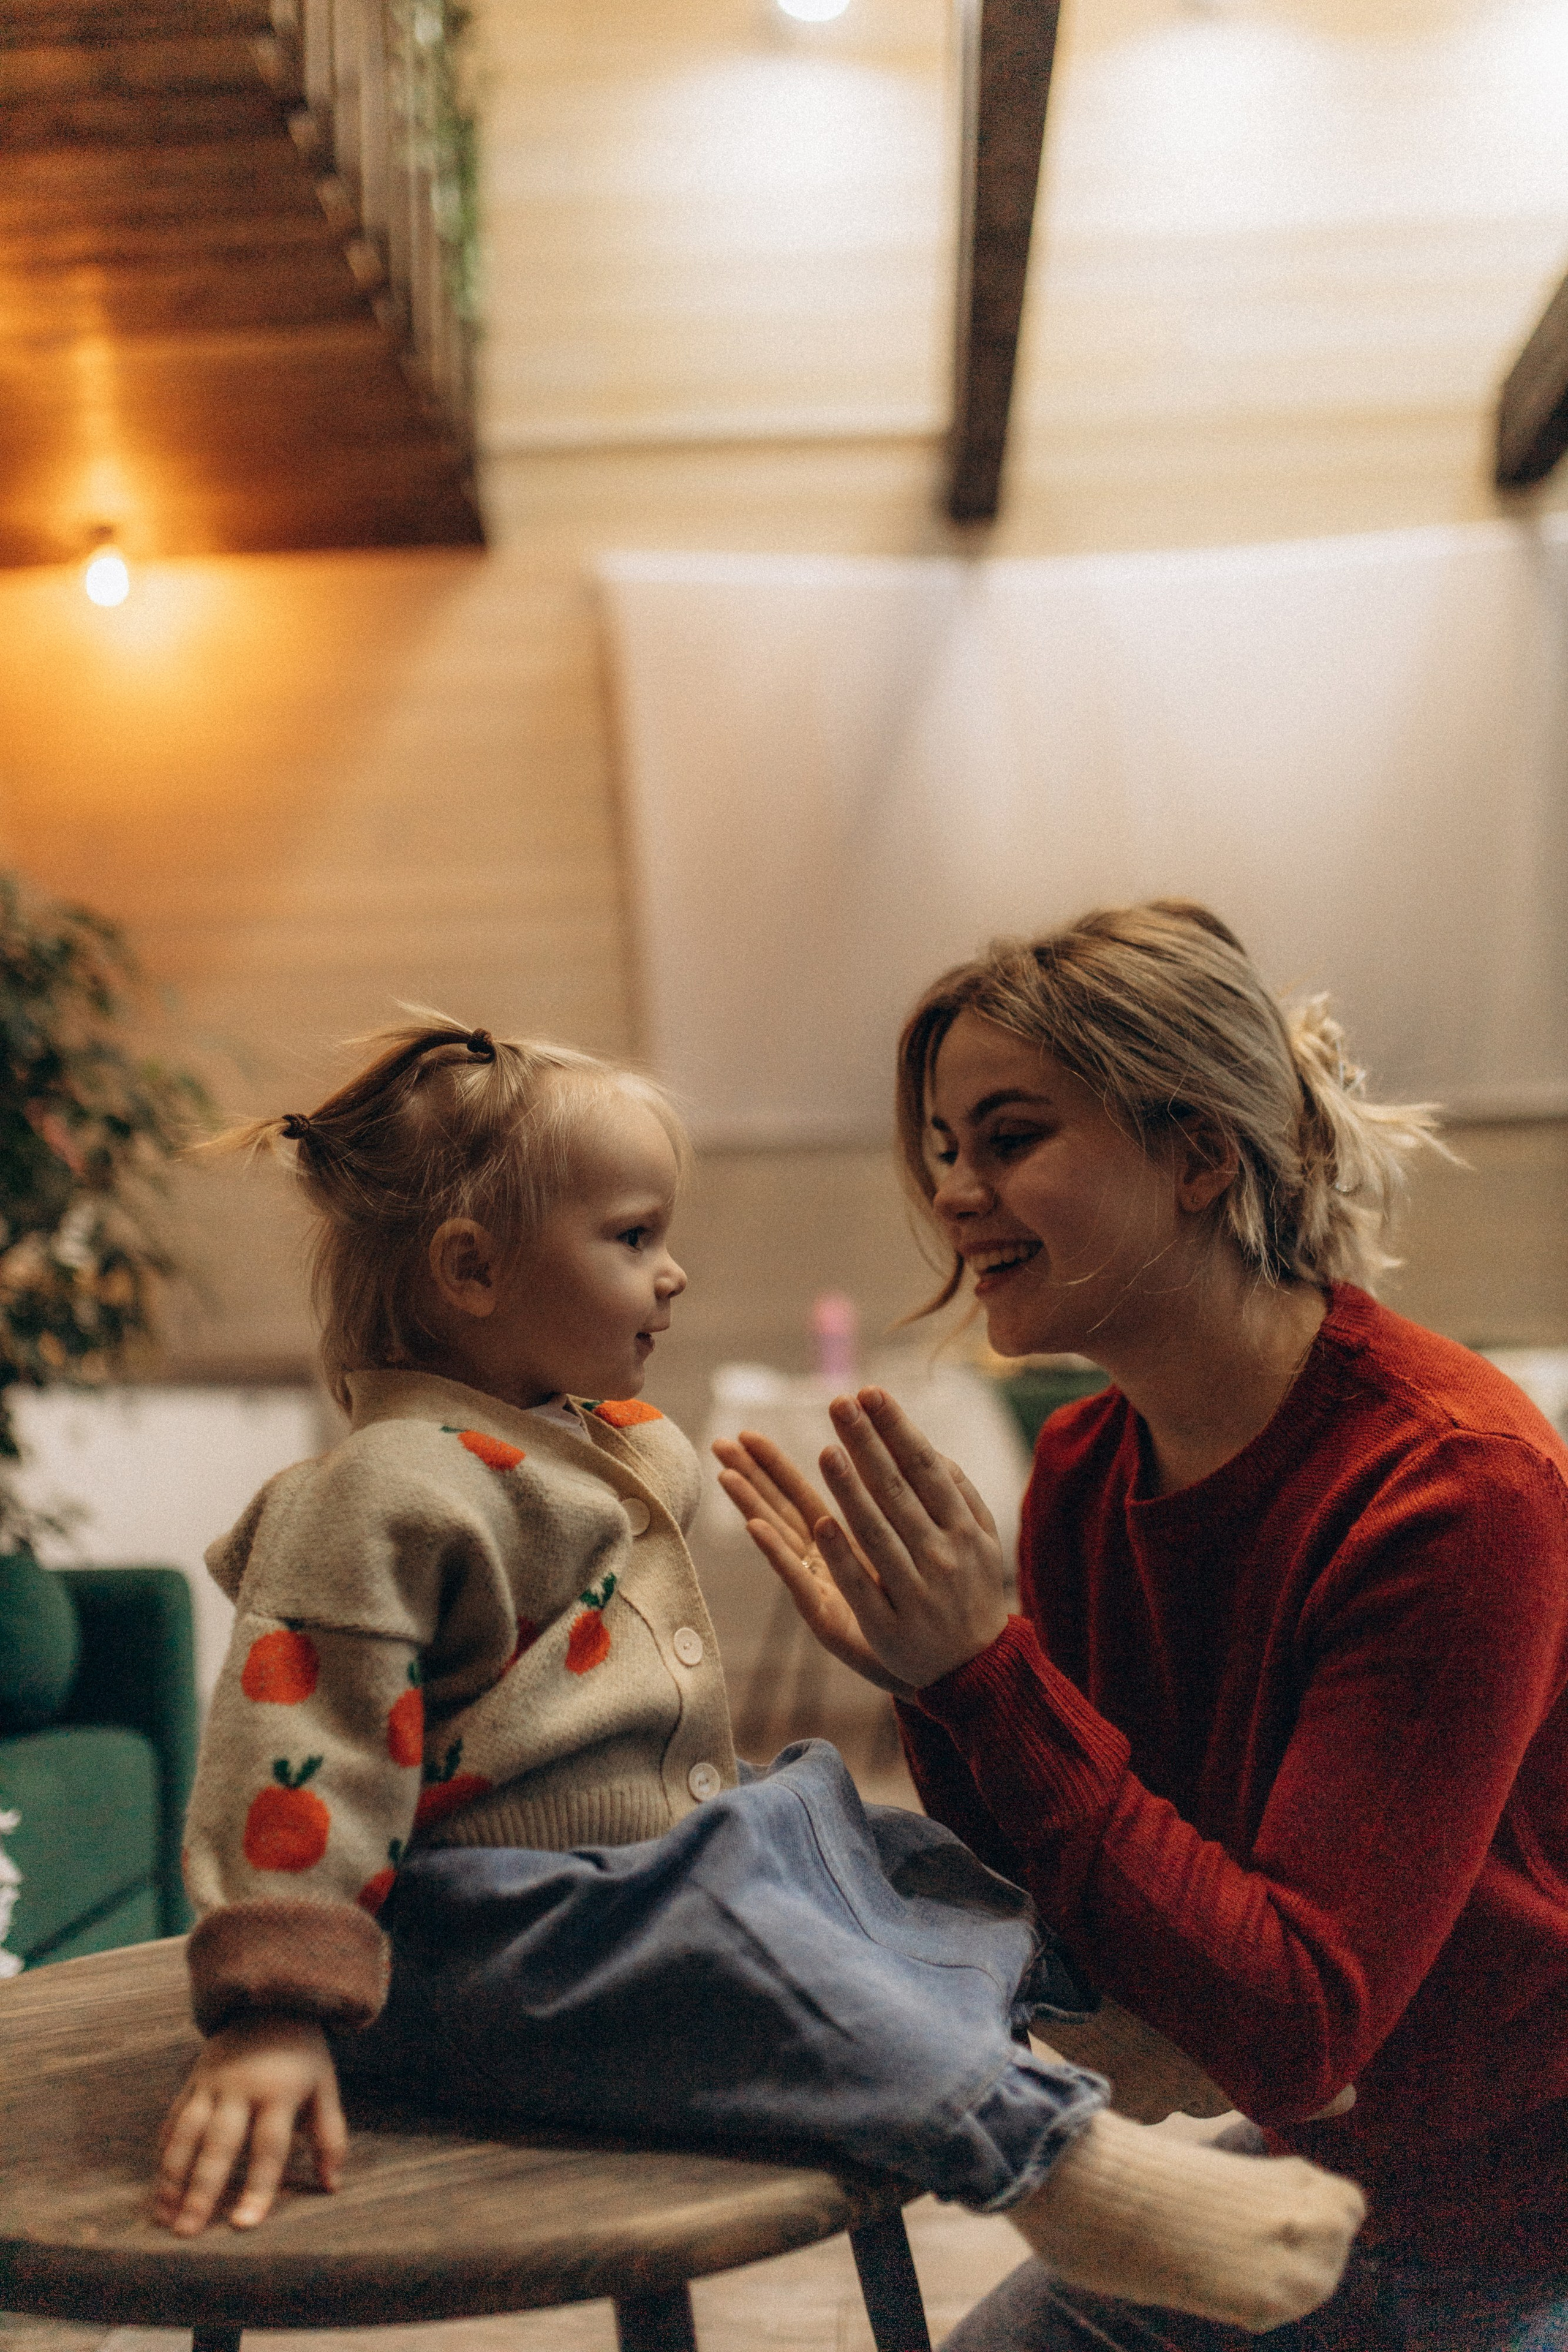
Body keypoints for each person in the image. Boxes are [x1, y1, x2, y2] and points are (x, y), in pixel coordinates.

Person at [156, 1013, 1363, 2338]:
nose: (669, 1276)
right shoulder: (380, 1491)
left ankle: (1090, 2016)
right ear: (472, 1271)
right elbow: (295, 1753)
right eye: (629, 1240)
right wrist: (273, 2012)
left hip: (636, 1882)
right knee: (739, 1938)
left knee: (846, 1831)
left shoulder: (565, 1445)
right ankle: (1052, 2165)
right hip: (483, 1938)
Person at [714, 901, 1568, 2352]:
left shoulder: (1448, 1486)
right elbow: (1082, 1896)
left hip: (1518, 2225)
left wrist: (989, 1672)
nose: (956, 1194)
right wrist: (932, 1679)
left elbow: (1291, 2022)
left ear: (1196, 1156)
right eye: (943, 1150)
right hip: (1346, 2176)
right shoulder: (1084, 1473)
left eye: (1009, 1137)